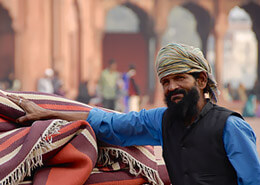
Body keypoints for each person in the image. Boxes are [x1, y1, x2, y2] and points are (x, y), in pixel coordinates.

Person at [7, 43, 260, 185]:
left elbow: (252, 180)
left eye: (179, 79)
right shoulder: (161, 121)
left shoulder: (230, 127)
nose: (171, 87)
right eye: (165, 81)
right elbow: (111, 125)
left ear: (201, 80)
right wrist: (48, 114)